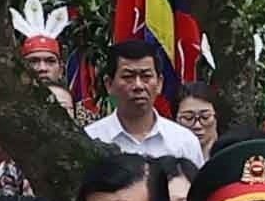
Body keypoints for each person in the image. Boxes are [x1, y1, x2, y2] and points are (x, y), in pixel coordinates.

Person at [84, 36, 203, 164]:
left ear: (159, 83)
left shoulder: (184, 141)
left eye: (146, 76)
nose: (138, 86)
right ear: (109, 84)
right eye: (128, 77)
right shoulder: (91, 139)